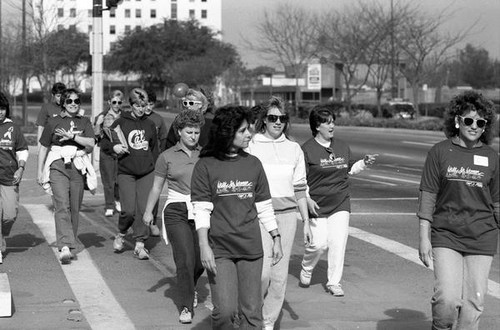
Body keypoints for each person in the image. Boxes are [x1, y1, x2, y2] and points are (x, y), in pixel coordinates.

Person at [191, 105, 283, 329]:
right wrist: (204, 246)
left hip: (250, 249)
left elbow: (264, 206)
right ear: (227, 132)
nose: (248, 134)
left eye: (248, 129)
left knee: (252, 313)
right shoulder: (205, 166)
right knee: (225, 312)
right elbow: (201, 210)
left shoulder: (253, 164)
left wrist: (276, 236)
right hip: (219, 249)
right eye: (242, 131)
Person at [418, 91, 499, 330]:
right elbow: (428, 196)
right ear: (457, 121)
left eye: (480, 122)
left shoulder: (492, 157)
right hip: (446, 234)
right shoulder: (440, 152)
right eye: (469, 120)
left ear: (486, 126)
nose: (474, 126)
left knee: (474, 304)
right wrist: (424, 237)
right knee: (447, 299)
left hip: (482, 237)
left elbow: (497, 202)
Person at [299, 105, 377, 296]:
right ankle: (307, 267)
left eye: (333, 121)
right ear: (317, 126)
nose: (331, 126)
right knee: (318, 245)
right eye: (327, 123)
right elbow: (300, 179)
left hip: (340, 201)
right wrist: (307, 199)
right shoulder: (306, 150)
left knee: (338, 242)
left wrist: (364, 163)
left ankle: (334, 282)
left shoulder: (341, 146)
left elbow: (349, 168)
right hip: (317, 204)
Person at [246, 96, 309, 330]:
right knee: (262, 273)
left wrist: (308, 222)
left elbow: (300, 188)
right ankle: (251, 313)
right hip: (259, 215)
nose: (278, 122)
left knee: (279, 275)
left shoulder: (294, 149)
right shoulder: (252, 145)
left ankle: (267, 321)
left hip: (287, 216)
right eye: (273, 118)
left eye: (282, 118)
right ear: (264, 120)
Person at [143, 109, 205, 324]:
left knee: (200, 262)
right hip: (176, 210)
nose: (193, 136)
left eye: (197, 132)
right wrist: (148, 211)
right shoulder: (166, 157)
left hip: (201, 210)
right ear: (179, 132)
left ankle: (191, 285)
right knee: (185, 259)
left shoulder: (205, 154)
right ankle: (186, 305)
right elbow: (156, 187)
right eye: (189, 132)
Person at [37, 88, 96, 264]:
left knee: (74, 207)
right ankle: (64, 245)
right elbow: (44, 147)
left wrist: (73, 137)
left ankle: (70, 243)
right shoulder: (53, 122)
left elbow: (91, 144)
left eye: (76, 101)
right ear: (63, 103)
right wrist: (40, 171)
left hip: (78, 167)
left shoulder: (84, 122)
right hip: (58, 165)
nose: (73, 104)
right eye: (69, 101)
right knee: (62, 205)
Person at [101, 88, 158, 260]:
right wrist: (114, 147)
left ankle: (140, 243)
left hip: (146, 172)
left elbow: (155, 149)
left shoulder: (149, 124)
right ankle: (122, 232)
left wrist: (157, 170)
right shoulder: (121, 122)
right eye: (138, 106)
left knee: (143, 209)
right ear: (131, 105)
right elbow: (104, 141)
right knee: (128, 211)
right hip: (126, 172)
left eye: (144, 105)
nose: (141, 109)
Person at [0, 92, 29, 264]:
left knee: (9, 215)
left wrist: (21, 168)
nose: (0, 112)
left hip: (9, 177)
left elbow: (22, 150)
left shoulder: (13, 128)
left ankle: (3, 235)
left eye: (2, 109)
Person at [94, 90, 123, 217]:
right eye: (114, 102)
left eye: (119, 102)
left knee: (119, 180)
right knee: (108, 181)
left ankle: (118, 200)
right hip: (107, 152)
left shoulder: (125, 115)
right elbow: (95, 135)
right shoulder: (103, 116)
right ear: (109, 102)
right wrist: (98, 124)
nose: (117, 104)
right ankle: (109, 205)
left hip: (122, 152)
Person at [144, 88, 169, 236]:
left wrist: (162, 156)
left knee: (154, 191)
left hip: (155, 162)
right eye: (145, 103)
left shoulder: (158, 119)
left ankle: (152, 222)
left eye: (151, 104)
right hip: (138, 162)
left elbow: (164, 139)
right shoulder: (134, 118)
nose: (147, 107)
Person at [36, 82, 66, 150]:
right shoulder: (46, 107)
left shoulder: (69, 108)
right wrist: (39, 147)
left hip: (65, 145)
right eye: (58, 96)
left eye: (62, 96)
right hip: (49, 146)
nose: (61, 98)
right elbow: (41, 127)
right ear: (53, 95)